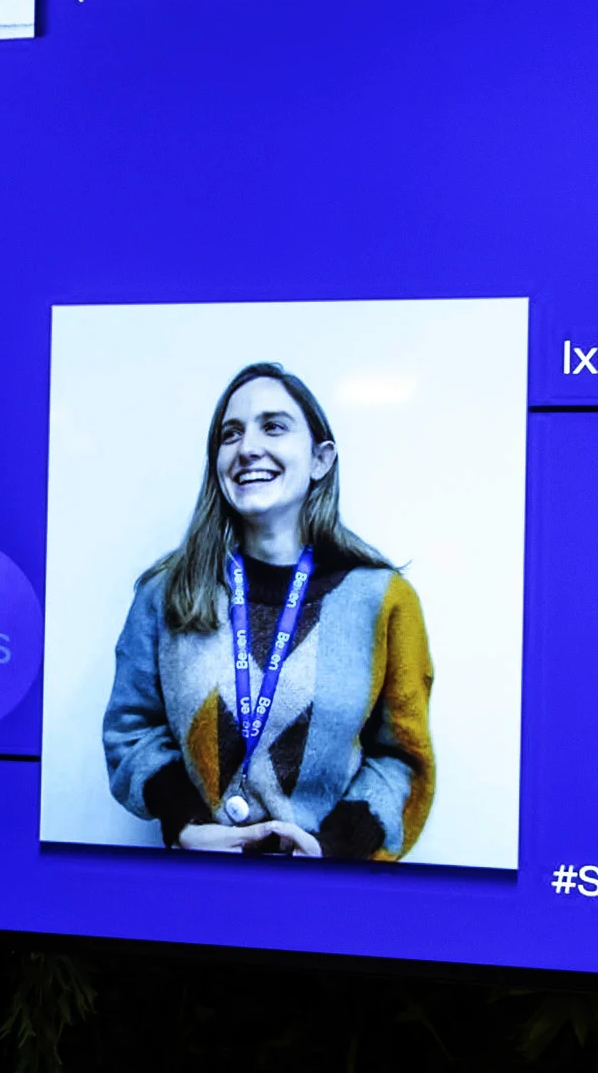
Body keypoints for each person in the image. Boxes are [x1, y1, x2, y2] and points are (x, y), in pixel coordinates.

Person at [102, 363, 434, 861]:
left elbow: (402, 757)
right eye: (229, 434)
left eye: (273, 426)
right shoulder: (165, 593)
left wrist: (333, 848)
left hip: (327, 904)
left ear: (321, 460)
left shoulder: (383, 599)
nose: (247, 447)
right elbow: (131, 730)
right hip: (191, 892)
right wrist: (187, 821)